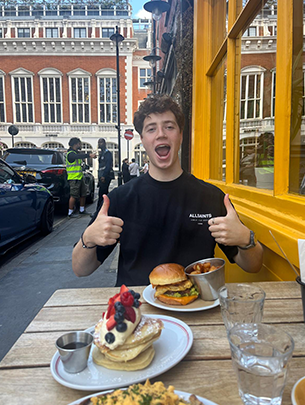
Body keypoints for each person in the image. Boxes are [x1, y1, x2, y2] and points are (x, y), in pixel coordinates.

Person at [72, 95, 263, 286]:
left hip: (195, 307)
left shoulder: (212, 197)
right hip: (136, 308)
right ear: (143, 139)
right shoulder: (119, 199)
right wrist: (88, 237)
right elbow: (81, 269)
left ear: (180, 135)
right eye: (151, 128)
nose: (161, 134)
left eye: (169, 126)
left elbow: (253, 266)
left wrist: (246, 238)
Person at [66, 137, 96, 218]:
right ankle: (70, 213)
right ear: (75, 144)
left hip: (80, 177)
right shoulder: (71, 154)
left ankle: (82, 210)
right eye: (79, 143)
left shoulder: (75, 153)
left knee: (83, 194)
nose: (80, 145)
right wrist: (89, 155)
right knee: (73, 195)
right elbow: (78, 157)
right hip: (74, 178)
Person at [96, 138, 114, 210]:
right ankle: (107, 209)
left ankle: (99, 210)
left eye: (101, 143)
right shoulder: (102, 153)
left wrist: (104, 176)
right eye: (99, 143)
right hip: (101, 176)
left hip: (105, 176)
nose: (99, 144)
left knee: (102, 194)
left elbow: (108, 165)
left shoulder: (107, 153)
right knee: (104, 193)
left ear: (104, 143)